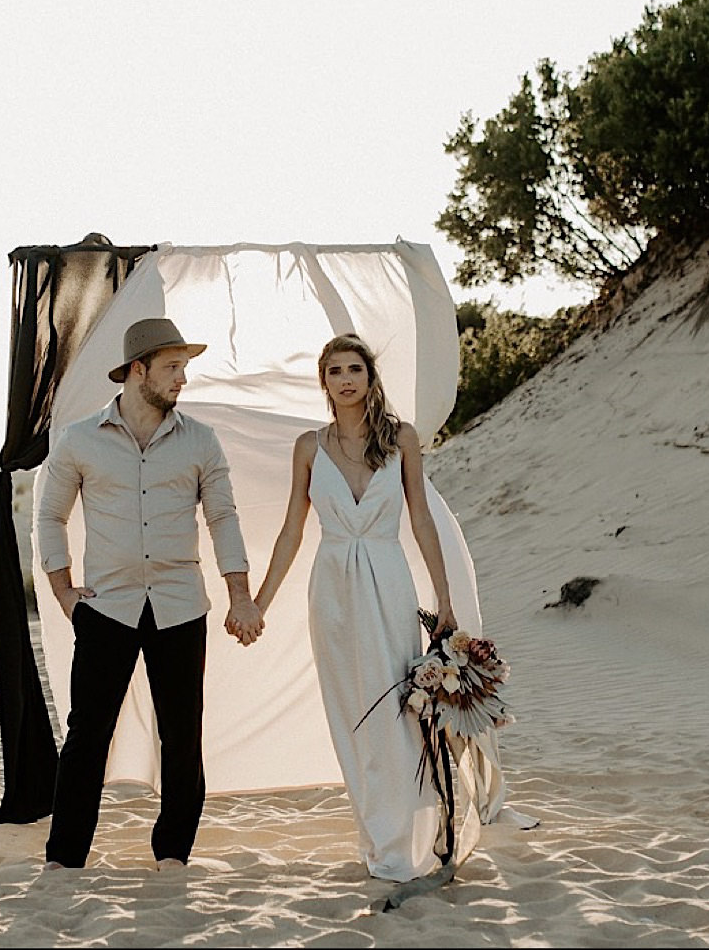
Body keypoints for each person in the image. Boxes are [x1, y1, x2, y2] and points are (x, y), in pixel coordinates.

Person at [36, 317, 263, 871]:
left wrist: (240, 595)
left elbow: (223, 518)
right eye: (172, 368)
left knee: (181, 737)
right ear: (137, 371)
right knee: (88, 737)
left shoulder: (200, 441)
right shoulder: (81, 440)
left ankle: (173, 855)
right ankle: (65, 858)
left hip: (181, 606)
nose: (182, 380)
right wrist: (66, 593)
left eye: (183, 368)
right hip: (106, 608)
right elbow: (49, 516)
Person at [249, 332, 462, 884]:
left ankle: (411, 836)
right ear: (324, 382)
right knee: (352, 717)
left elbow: (421, 520)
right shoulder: (308, 446)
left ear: (371, 378)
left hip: (389, 583)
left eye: (355, 369)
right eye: (335, 371)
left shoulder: (403, 439)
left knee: (397, 713)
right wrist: (260, 603)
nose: (345, 379)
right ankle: (378, 836)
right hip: (333, 591)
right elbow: (293, 530)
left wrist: (444, 598)